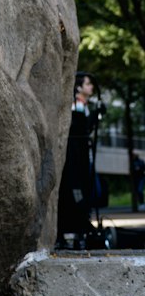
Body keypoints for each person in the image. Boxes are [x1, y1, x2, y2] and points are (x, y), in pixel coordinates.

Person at [56, 71, 99, 249]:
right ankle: (74, 230)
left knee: (90, 191)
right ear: (79, 86)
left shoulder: (84, 105)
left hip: (83, 158)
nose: (91, 87)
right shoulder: (75, 107)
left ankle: (82, 226)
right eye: (88, 84)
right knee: (77, 192)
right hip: (75, 160)